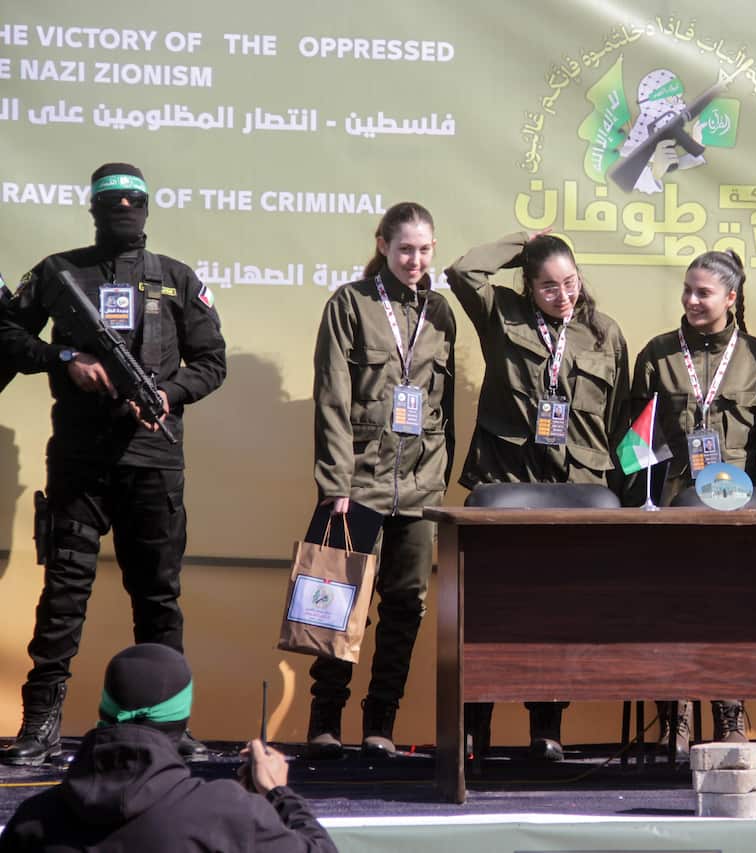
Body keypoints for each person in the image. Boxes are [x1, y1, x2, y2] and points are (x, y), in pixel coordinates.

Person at [0, 163, 227, 766]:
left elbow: (211, 361)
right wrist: (65, 357)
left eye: (133, 203)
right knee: (64, 594)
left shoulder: (176, 278)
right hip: (79, 464)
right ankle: (40, 726)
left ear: (146, 210)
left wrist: (168, 395)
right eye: (112, 204)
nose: (123, 212)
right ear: (94, 209)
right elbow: (7, 335)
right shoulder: (58, 273)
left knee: (157, 597)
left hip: (153, 462)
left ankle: (167, 728)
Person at [446, 231, 630, 760]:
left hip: (579, 492)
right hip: (508, 484)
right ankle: (475, 727)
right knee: (492, 612)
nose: (563, 295)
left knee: (557, 614)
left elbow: (617, 421)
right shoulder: (502, 314)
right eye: (548, 286)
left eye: (570, 282)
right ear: (527, 286)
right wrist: (518, 242)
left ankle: (546, 728)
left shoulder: (604, 333)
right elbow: (463, 272)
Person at [306, 202, 455, 759]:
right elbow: (332, 399)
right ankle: (325, 721)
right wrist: (335, 483)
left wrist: (437, 479)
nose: (414, 260)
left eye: (424, 249)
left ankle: (379, 724)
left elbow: (444, 410)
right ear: (383, 246)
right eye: (404, 249)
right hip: (358, 483)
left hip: (420, 487)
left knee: (405, 605)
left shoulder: (441, 313)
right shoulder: (350, 303)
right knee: (337, 600)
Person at [629, 249, 756, 755]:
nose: (691, 300)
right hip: (671, 506)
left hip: (737, 508)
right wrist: (636, 507)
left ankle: (730, 712)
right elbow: (635, 441)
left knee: (727, 611)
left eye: (703, 292)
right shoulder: (658, 354)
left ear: (731, 298)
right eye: (687, 290)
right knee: (674, 609)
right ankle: (675, 716)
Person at [0, 643, 337, 852]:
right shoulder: (225, 814)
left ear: (105, 711)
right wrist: (279, 793)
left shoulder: (33, 821)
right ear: (181, 723)